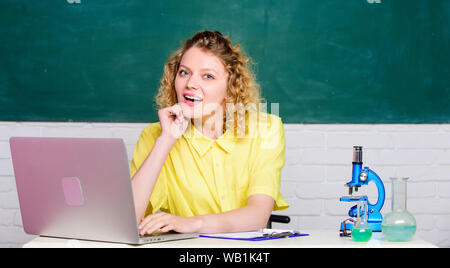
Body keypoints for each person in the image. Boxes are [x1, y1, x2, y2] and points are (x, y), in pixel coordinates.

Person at [130, 30, 288, 236]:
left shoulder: (266, 130)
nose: (190, 84)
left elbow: (258, 215)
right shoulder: (155, 136)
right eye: (184, 72)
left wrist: (191, 224)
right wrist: (166, 140)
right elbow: (127, 219)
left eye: (208, 76)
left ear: (230, 88)